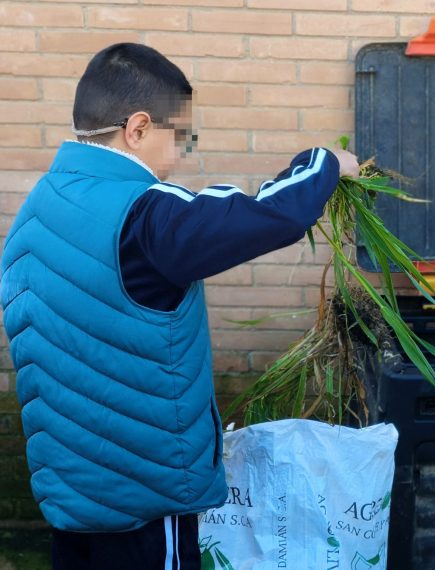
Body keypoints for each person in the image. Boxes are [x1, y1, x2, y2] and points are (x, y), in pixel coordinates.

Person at [0, 43, 358, 569]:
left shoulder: (37, 210)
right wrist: (324, 164)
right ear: (139, 129)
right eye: (182, 136)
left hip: (72, 504)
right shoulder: (144, 215)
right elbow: (265, 215)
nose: (183, 153)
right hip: (143, 509)